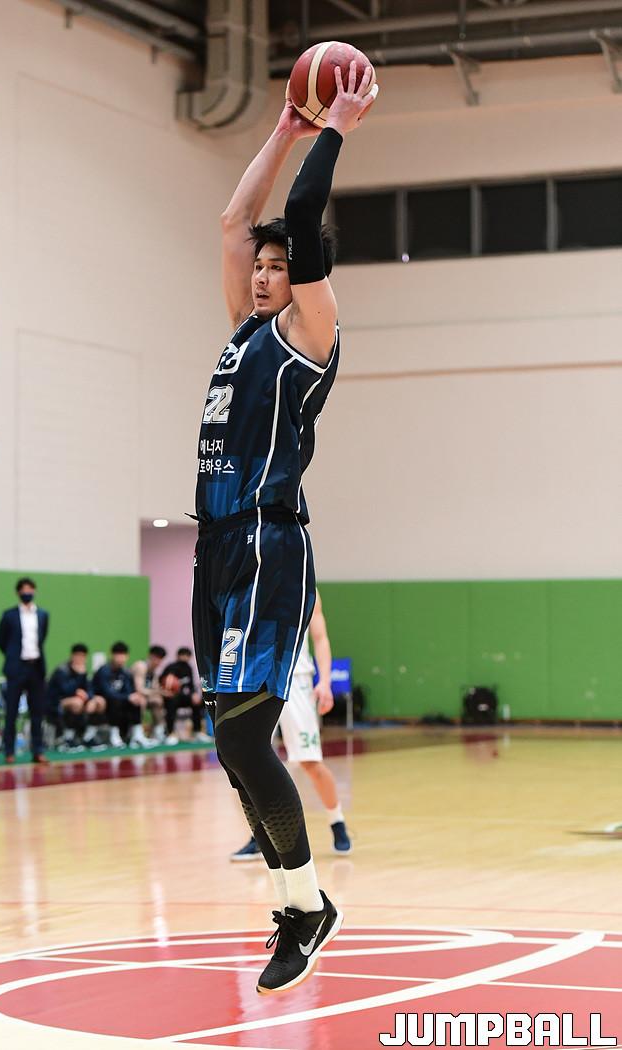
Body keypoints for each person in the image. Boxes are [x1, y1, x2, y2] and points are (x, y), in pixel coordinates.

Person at [191, 64, 376, 994]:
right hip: (214, 547)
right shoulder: (240, 329)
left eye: (277, 266)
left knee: (242, 740)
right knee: (231, 750)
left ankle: (306, 906)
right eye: (260, 268)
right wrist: (282, 129)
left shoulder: (310, 331)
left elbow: (299, 219)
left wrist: (333, 127)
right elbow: (236, 221)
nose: (264, 272)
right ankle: (298, 902)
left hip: (269, 545)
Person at [231, 590, 351, 860]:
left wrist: (325, 682)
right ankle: (259, 836)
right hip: (257, 677)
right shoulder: (252, 583)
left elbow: (320, 638)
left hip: (296, 678)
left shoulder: (306, 587)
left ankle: (337, 822)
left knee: (310, 762)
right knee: (250, 762)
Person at [0, 577, 49, 764]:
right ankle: (9, 751)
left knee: (37, 712)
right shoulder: (9, 615)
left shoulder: (42, 614)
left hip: (36, 668)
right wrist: (13, 657)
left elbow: (42, 637)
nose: (27, 592)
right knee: (11, 711)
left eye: (30, 589)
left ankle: (38, 750)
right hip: (16, 668)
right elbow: (1, 641)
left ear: (34, 591)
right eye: (24, 589)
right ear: (18, 592)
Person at [47, 643, 108, 749]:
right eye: (78, 655)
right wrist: (79, 677)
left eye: (83, 656)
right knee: (76, 703)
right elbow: (65, 690)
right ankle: (68, 737)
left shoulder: (83, 670)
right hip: (57, 702)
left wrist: (89, 698)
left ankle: (89, 736)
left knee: (99, 701)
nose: (80, 659)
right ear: (72, 656)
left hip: (79, 700)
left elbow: (89, 688)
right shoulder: (62, 670)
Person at [92, 642, 149, 748]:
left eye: (124, 656)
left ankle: (137, 735)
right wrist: (127, 697)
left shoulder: (125, 672)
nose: (121, 659)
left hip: (120, 700)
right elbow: (107, 692)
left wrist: (133, 696)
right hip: (105, 701)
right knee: (115, 700)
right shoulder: (104, 671)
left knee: (136, 700)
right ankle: (114, 735)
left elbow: (128, 690)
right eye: (119, 655)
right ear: (112, 655)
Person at [159, 646, 211, 746]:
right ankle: (170, 733)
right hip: (171, 696)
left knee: (198, 702)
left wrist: (194, 694)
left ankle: (197, 731)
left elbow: (190, 686)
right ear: (178, 656)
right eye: (183, 655)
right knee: (171, 702)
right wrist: (166, 691)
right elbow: (162, 682)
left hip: (183, 696)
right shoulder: (170, 667)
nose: (185, 658)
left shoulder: (188, 668)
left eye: (187, 656)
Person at [131, 644, 167, 742]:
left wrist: (162, 692)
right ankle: (136, 734)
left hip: (143, 696)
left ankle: (158, 732)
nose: (158, 662)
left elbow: (154, 689)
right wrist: (157, 691)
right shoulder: (141, 666)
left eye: (160, 659)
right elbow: (139, 689)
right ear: (150, 656)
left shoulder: (153, 672)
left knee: (158, 701)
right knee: (141, 700)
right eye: (156, 658)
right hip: (130, 695)